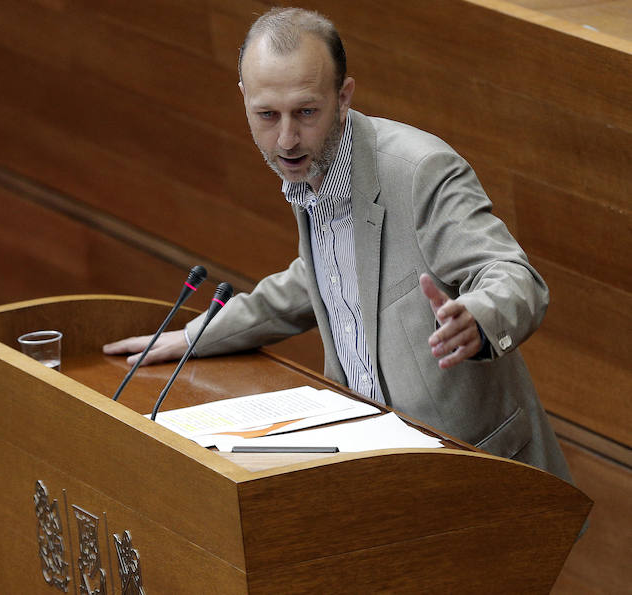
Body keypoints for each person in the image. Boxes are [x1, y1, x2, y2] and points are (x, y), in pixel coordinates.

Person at [103, 7, 571, 482]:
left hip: (478, 469)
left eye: (306, 111)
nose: (286, 138)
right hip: (378, 462)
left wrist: (478, 318)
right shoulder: (315, 168)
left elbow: (515, 277)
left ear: (343, 96)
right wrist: (195, 337)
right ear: (243, 99)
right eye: (267, 115)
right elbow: (318, 278)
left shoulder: (419, 172)